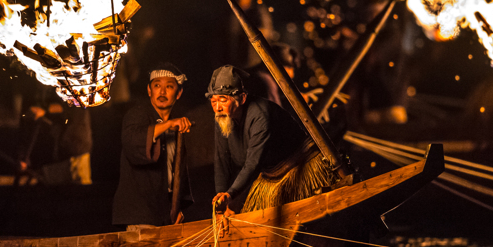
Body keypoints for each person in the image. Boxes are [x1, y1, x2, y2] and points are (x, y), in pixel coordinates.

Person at [208, 65, 335, 216]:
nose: (217, 108)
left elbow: (253, 163)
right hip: (269, 175)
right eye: (213, 101)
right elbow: (221, 158)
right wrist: (221, 195)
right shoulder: (222, 117)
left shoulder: (260, 115)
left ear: (241, 98)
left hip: (298, 166)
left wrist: (231, 196)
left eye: (223, 100)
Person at [112, 63, 193, 229]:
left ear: (178, 93)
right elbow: (133, 143)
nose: (162, 92)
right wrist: (167, 125)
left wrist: (176, 207)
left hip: (165, 215)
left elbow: (175, 173)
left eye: (169, 87)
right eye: (157, 86)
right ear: (149, 90)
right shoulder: (137, 115)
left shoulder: (176, 126)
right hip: (140, 215)